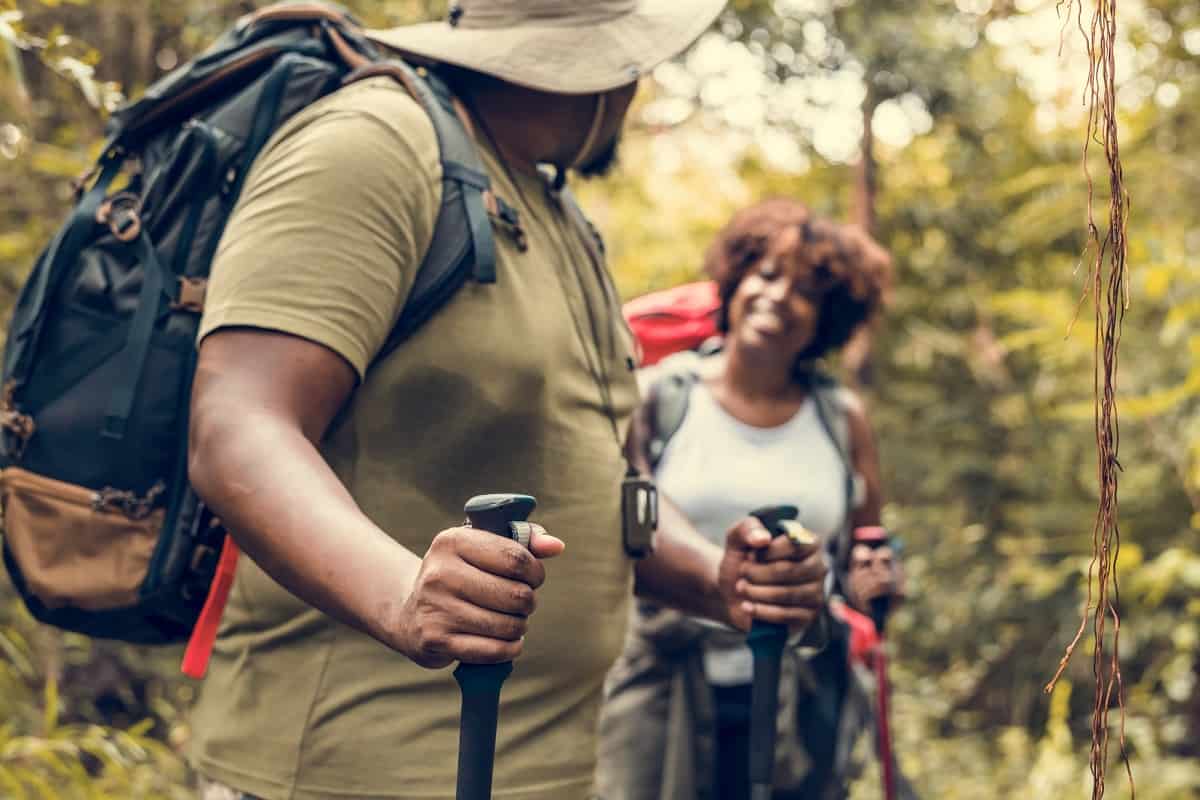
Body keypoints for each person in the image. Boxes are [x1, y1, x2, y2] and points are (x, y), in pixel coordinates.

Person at [183, 3, 831, 799]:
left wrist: (720, 579)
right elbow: (238, 423)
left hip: (544, 772)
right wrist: (402, 596)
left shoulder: (553, 214)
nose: (639, 82)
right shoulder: (374, 145)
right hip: (345, 772)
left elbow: (607, 489)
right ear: (586, 62)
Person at [595, 200, 905, 799]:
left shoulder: (841, 419)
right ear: (734, 283)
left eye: (806, 291)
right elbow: (617, 524)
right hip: (663, 681)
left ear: (827, 319)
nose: (778, 297)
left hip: (802, 693)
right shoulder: (659, 397)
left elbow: (866, 547)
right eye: (766, 274)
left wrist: (881, 580)